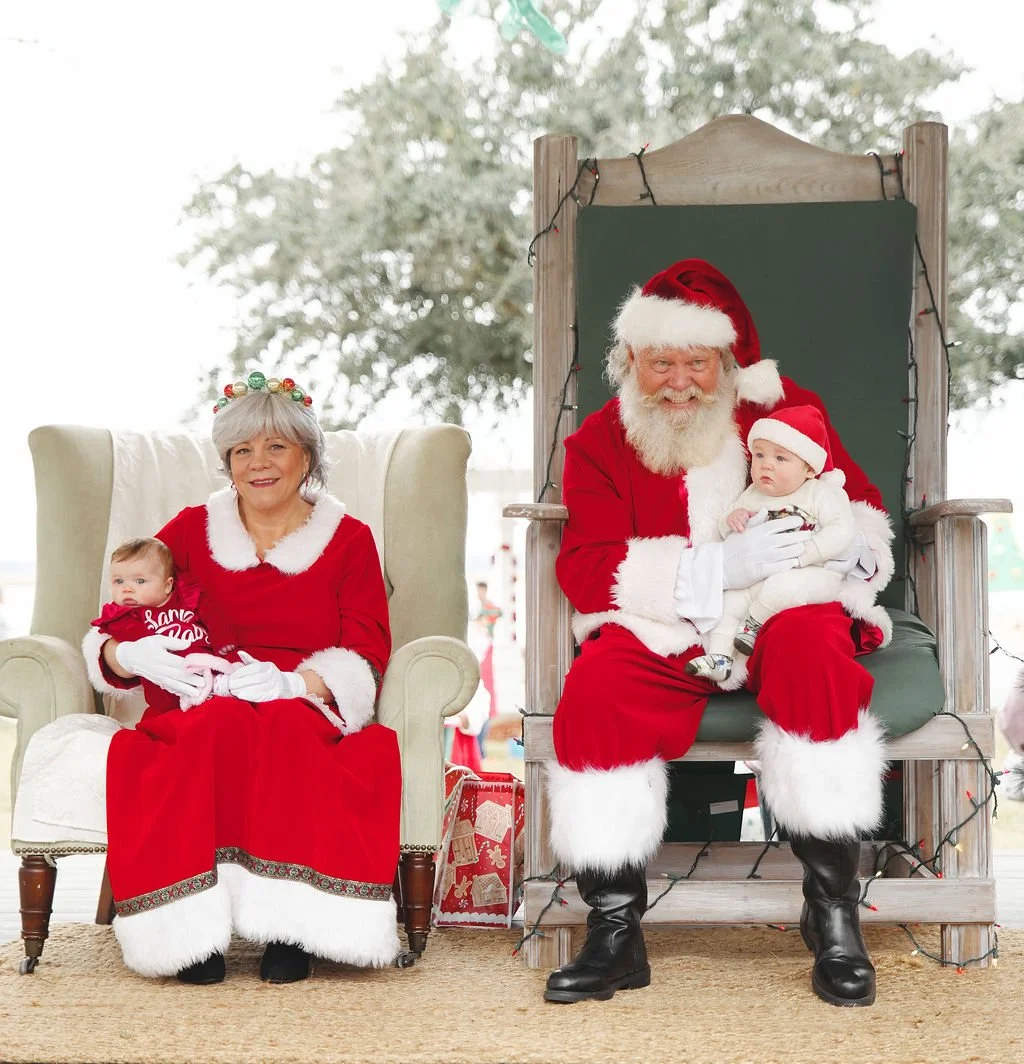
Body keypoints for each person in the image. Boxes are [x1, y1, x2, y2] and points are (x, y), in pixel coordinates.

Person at [544, 259, 893, 1008]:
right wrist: (710, 568)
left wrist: (857, 545)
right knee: (596, 691)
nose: (677, 379)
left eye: (695, 361)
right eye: (658, 360)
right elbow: (587, 568)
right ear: (628, 360)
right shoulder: (598, 443)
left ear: (727, 362)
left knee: (815, 656)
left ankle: (832, 912)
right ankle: (615, 931)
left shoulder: (786, 409)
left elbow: (855, 501)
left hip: (780, 606)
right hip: (672, 621)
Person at [81, 371, 400, 985]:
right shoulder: (190, 529)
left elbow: (366, 650)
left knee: (283, 728)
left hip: (296, 696)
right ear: (226, 462)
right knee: (216, 727)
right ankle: (192, 934)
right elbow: (119, 610)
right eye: (242, 450)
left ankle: (288, 928)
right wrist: (129, 656)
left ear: (306, 455)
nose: (259, 463)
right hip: (202, 690)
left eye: (276, 446)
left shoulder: (350, 540)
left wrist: (295, 684)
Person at [684, 405, 858, 683]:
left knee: (782, 588)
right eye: (760, 455)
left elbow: (842, 529)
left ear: (809, 469)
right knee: (728, 601)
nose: (766, 465)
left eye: (780, 458)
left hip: (808, 572)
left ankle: (752, 627)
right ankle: (720, 657)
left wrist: (808, 553)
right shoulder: (753, 493)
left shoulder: (820, 493)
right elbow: (725, 529)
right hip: (757, 574)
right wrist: (732, 519)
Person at [89, 537, 238, 712]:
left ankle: (227, 684)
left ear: (167, 585)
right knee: (165, 700)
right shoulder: (123, 617)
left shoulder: (185, 596)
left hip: (209, 664)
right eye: (119, 581)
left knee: (231, 681)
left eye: (140, 581)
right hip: (168, 683)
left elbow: (212, 616)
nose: (126, 589)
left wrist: (223, 640)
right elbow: (137, 646)